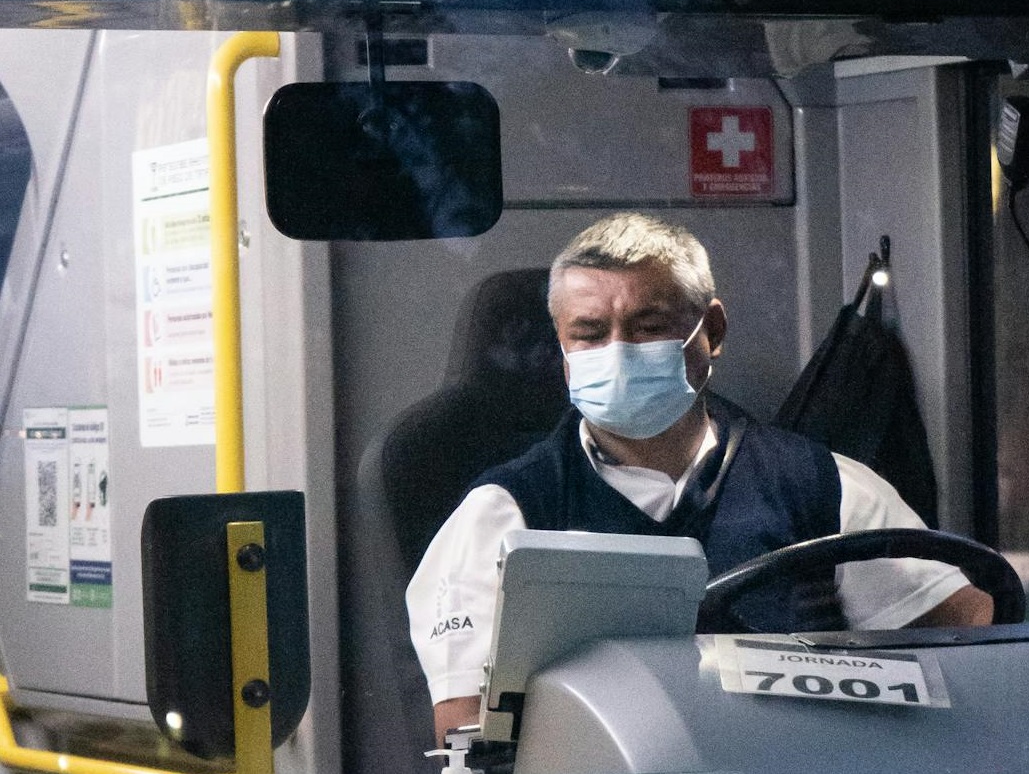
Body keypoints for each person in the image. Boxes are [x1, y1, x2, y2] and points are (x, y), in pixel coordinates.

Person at [407, 212, 993, 735]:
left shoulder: (825, 487)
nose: (617, 349)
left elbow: (974, 637)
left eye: (646, 326)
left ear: (710, 332)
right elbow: (468, 733)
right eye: (588, 333)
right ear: (562, 350)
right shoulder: (504, 517)